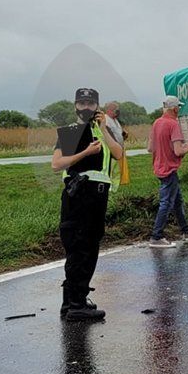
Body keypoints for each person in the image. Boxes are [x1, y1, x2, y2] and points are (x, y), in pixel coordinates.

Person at [50, 87, 125, 321]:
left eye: (90, 104)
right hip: (79, 195)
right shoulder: (72, 131)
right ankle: (75, 305)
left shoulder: (101, 131)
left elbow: (118, 154)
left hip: (98, 196)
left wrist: (104, 128)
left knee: (89, 247)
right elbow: (56, 164)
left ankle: (72, 301)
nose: (86, 108)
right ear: (75, 106)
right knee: (79, 248)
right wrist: (84, 152)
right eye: (81, 104)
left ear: (97, 107)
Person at [147, 95, 188, 248]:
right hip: (169, 168)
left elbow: (150, 148)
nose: (180, 110)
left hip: (159, 166)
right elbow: (178, 151)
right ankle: (156, 236)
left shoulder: (156, 123)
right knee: (166, 203)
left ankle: (186, 230)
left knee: (177, 201)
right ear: (175, 108)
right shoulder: (173, 124)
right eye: (179, 107)